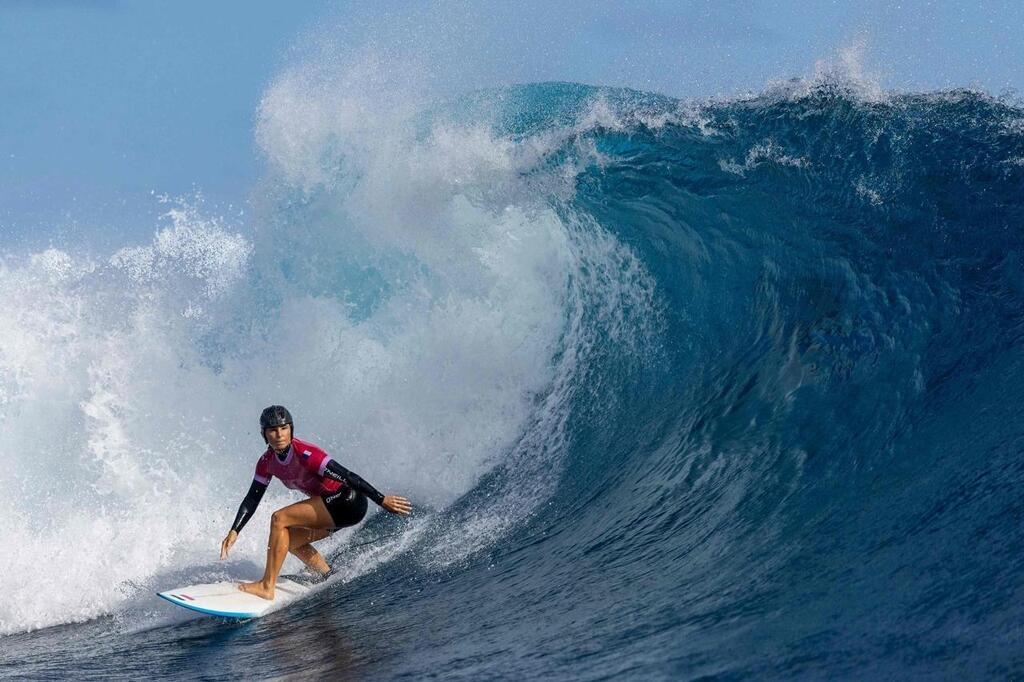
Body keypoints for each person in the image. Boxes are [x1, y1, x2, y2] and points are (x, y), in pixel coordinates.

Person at [220, 405, 412, 600]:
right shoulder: (266, 462)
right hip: (333, 509)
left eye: (284, 428)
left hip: (347, 501)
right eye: (273, 430)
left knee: (279, 518)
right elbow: (253, 497)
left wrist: (380, 499)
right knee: (288, 541)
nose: (279, 434)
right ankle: (326, 574)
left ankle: (266, 586)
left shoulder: (306, 454)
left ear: (291, 429)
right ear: (264, 434)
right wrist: (235, 530)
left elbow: (347, 476)